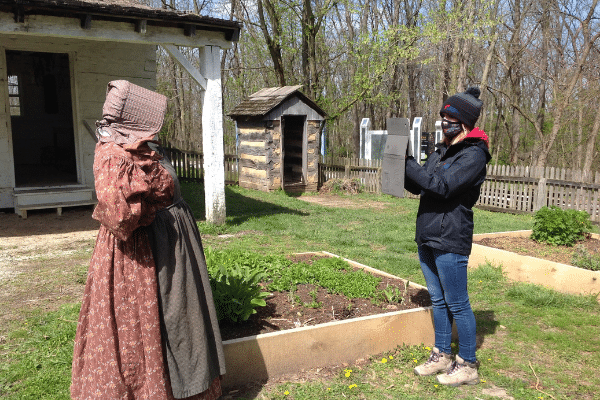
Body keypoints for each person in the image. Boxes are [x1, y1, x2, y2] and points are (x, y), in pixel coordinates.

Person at [71, 80, 226, 399]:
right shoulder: (113, 153)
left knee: (181, 319)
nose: (155, 128)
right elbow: (119, 216)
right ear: (131, 117)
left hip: (171, 243)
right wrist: (141, 202)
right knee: (146, 327)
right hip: (144, 252)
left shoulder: (138, 143)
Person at [404, 87, 491, 387]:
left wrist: (409, 165)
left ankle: (468, 363)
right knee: (438, 300)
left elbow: (441, 187)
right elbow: (419, 186)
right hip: (427, 232)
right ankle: (442, 354)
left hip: (451, 236)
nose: (444, 121)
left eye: (451, 117)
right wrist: (401, 162)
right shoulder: (441, 150)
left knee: (457, 303)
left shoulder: (473, 155)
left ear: (465, 122)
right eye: (443, 116)